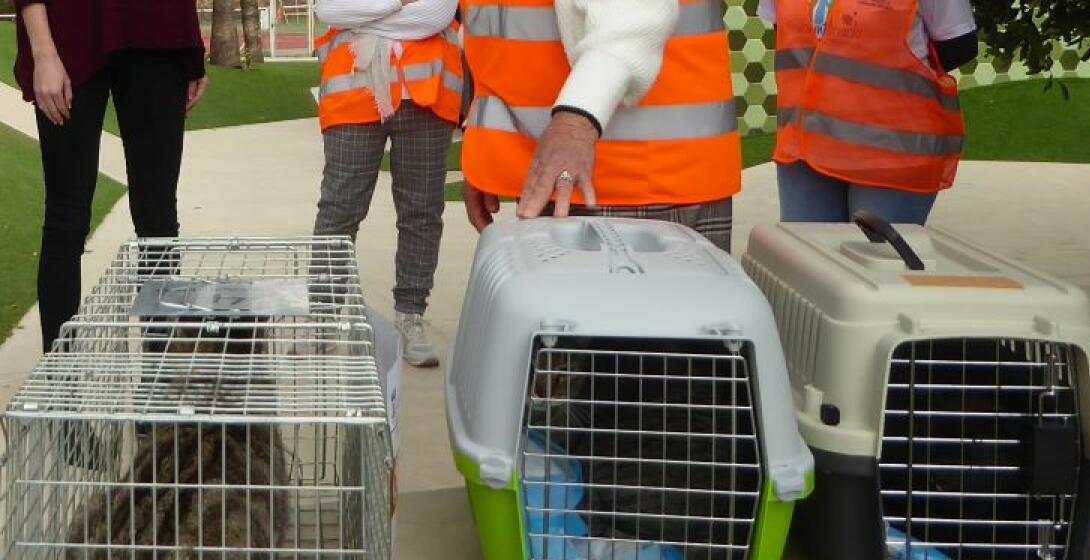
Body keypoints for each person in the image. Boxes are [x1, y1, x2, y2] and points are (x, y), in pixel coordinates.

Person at [459, 0, 741, 253]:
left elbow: (633, 19)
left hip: (635, 183)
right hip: (575, 176)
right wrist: (489, 150)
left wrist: (576, 123)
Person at [13, 0, 208, 352]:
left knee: (159, 218)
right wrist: (43, 53)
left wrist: (190, 46)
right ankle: (59, 387)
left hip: (158, 34)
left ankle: (157, 382)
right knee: (66, 220)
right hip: (69, 35)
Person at [312, 0, 461, 367]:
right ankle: (323, 320)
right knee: (339, 210)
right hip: (352, 93)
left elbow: (434, 16)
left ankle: (410, 315)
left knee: (421, 212)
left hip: (426, 96)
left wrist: (368, 13)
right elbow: (331, 11)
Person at [761, 0, 979, 224]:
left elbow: (959, 44)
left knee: (877, 257)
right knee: (806, 257)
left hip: (893, 155)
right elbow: (787, 31)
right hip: (803, 150)